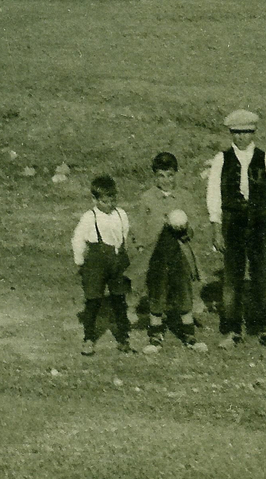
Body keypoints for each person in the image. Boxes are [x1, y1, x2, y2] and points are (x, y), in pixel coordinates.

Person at [205, 109, 266, 349]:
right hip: (232, 224)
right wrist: (216, 227)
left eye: (246, 132)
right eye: (237, 133)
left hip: (259, 223)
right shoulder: (222, 159)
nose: (241, 137)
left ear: (254, 133)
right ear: (231, 133)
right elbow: (213, 195)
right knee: (232, 278)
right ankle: (231, 330)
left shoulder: (265, 158)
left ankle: (264, 329)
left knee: (261, 276)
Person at [129, 151, 202, 349]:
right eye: (161, 176)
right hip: (156, 253)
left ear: (176, 174)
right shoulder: (147, 198)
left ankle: (188, 333)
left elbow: (194, 222)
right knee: (157, 290)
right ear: (155, 176)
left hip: (178, 251)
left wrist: (185, 227)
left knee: (183, 290)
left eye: (170, 175)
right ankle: (156, 333)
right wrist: (142, 244)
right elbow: (139, 225)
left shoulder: (184, 197)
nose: (166, 180)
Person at [71, 174, 133, 356]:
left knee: (120, 301)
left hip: (117, 261)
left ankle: (123, 338)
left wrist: (123, 254)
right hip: (96, 263)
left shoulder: (121, 214)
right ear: (95, 199)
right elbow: (77, 239)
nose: (109, 204)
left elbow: (125, 234)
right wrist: (80, 261)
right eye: (105, 201)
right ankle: (89, 339)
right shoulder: (89, 217)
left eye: (112, 200)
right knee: (93, 301)